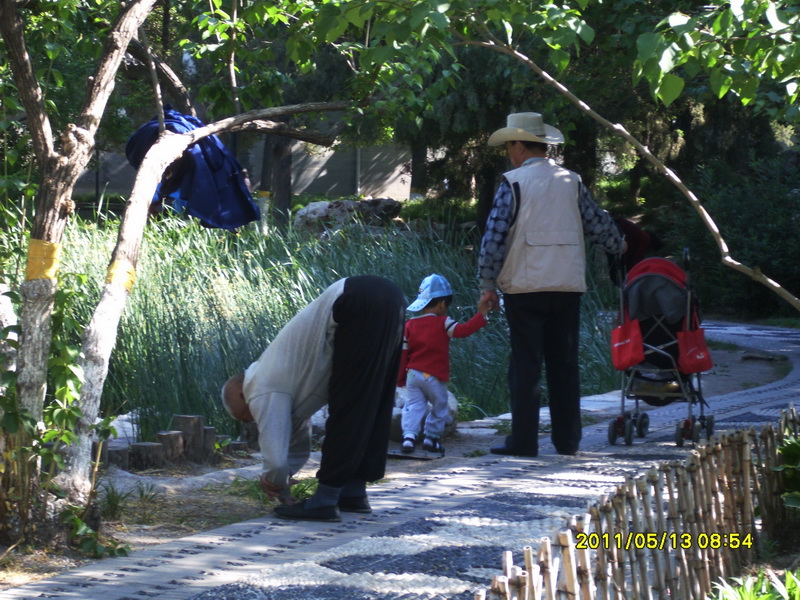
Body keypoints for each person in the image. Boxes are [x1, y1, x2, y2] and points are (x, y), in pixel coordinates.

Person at [479, 112, 625, 458]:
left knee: (526, 365)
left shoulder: (512, 183)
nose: (508, 153)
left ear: (518, 145)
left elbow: (494, 237)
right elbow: (599, 226)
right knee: (565, 364)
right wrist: (622, 244)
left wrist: (487, 284)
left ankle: (524, 441)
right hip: (566, 285)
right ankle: (568, 440)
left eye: (508, 146)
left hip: (525, 289)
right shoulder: (571, 180)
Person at [221, 275, 404, 522]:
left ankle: (326, 499)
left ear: (242, 395)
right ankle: (352, 492)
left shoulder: (259, 388)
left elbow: (275, 459)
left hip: (354, 299)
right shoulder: (283, 384)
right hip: (388, 296)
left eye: (247, 416)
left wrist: (272, 481)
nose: (255, 420)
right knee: (372, 401)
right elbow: (296, 447)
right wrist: (284, 487)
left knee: (347, 407)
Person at [397, 274, 493, 454]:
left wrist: (400, 378)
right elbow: (463, 331)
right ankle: (431, 438)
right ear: (442, 304)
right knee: (439, 405)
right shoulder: (444, 322)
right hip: (434, 375)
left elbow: (403, 354)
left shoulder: (409, 325)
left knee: (414, 405)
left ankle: (408, 437)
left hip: (413, 375)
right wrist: (481, 315)